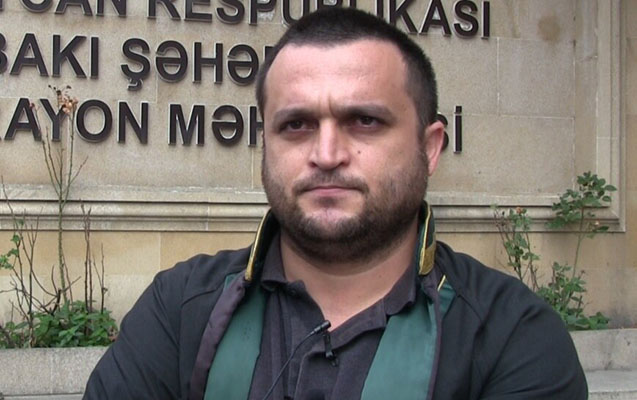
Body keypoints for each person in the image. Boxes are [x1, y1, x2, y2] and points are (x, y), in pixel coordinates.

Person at [85, 8, 588, 400]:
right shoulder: (181, 310)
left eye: (364, 121)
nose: (326, 155)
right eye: (296, 124)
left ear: (430, 147)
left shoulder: (511, 338)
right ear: (265, 145)